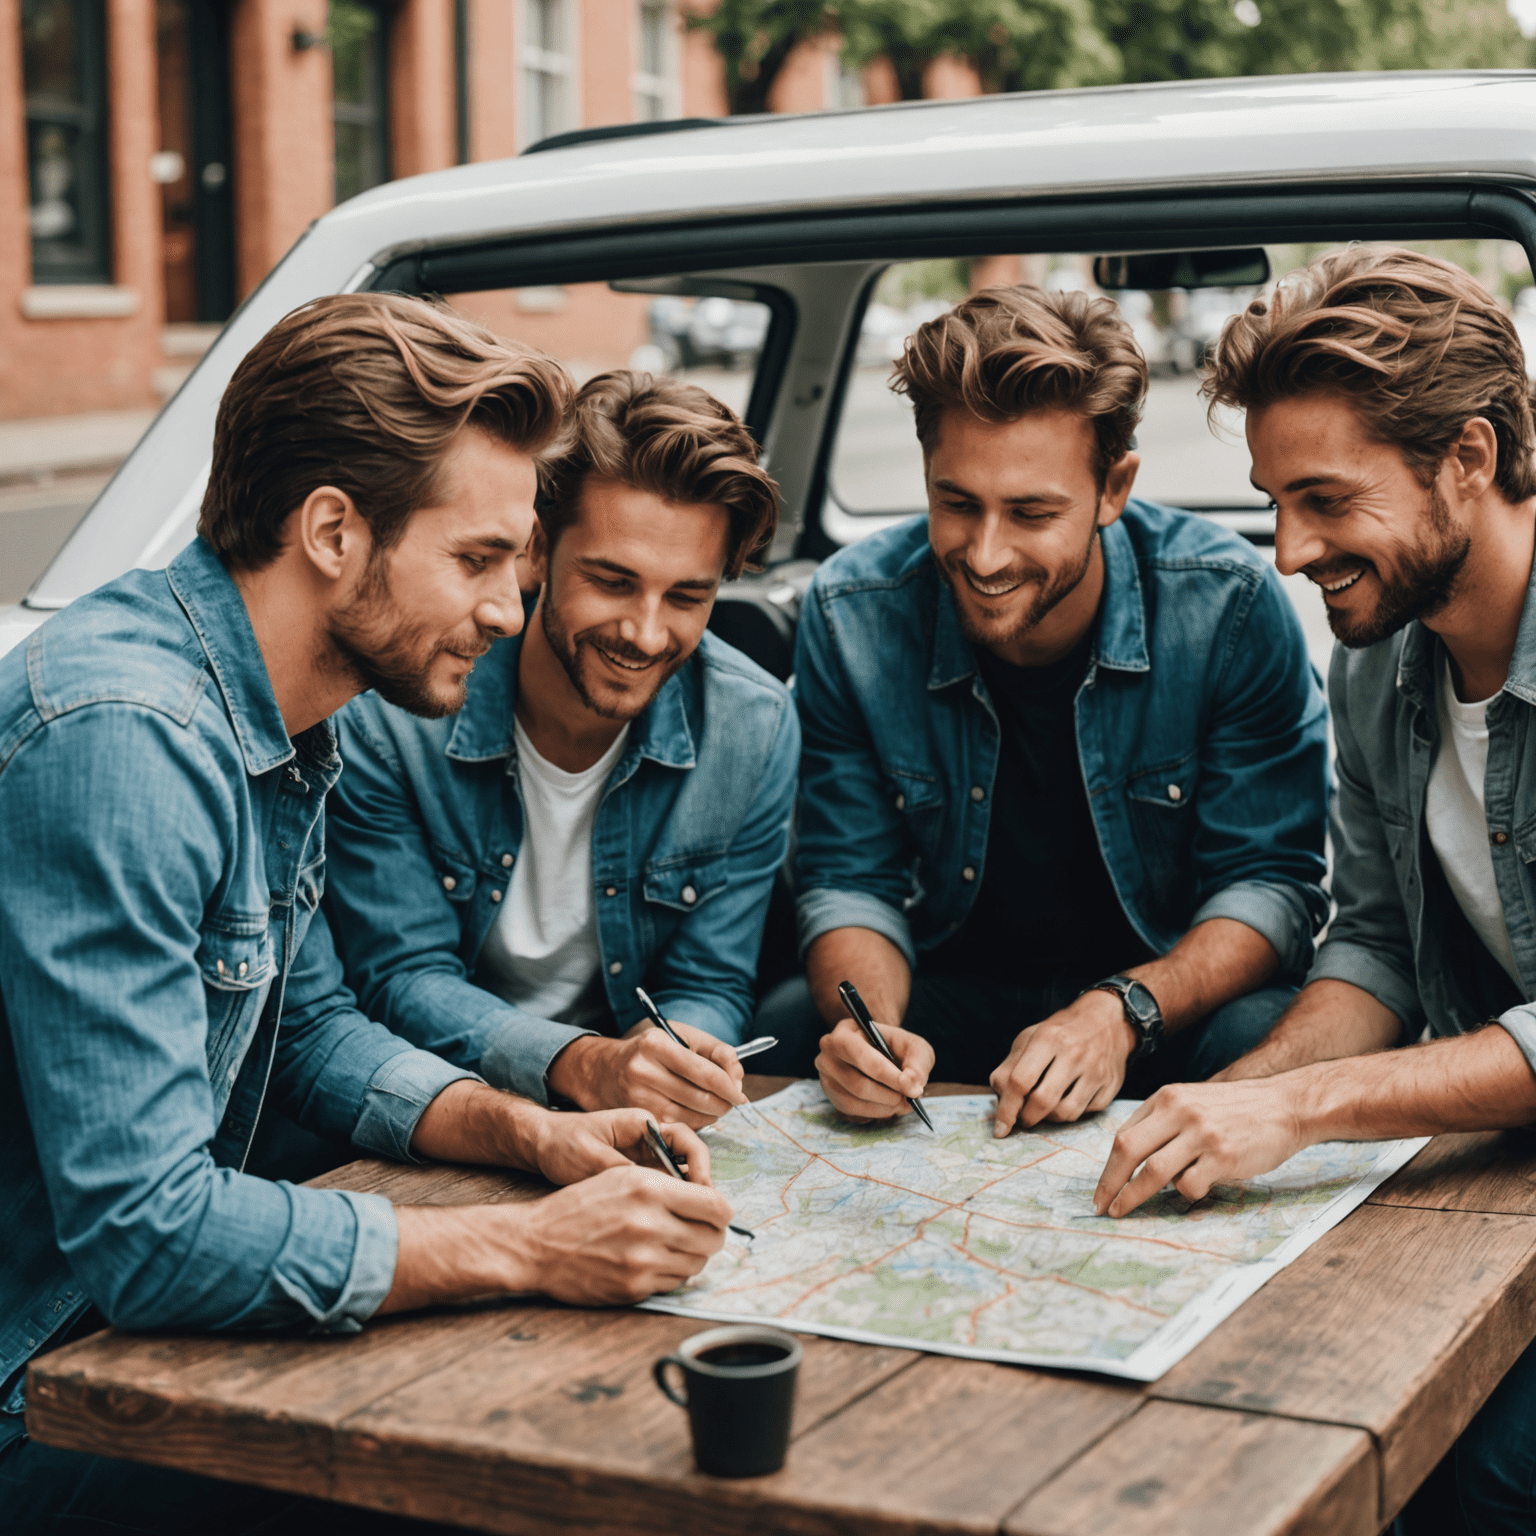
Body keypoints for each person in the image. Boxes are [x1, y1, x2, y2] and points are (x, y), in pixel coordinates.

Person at [0, 295, 733, 1534]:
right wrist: (534, 1247)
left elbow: (307, 1027)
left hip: (129, 1337)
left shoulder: (287, 709)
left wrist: (532, 1135)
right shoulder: (126, 741)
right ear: (333, 530)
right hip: (43, 1381)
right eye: (479, 559)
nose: (511, 611)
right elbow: (150, 1233)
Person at [1083, 245, 1536, 1534]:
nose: (1288, 551)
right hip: (1501, 1146)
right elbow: (1381, 946)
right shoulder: (1377, 664)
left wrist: (1308, 1107)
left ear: (1470, 456)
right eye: (1273, 499)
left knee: (1470, 1467)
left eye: (1325, 498)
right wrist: (1231, 1105)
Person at [767, 282, 1330, 1134]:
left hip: (1160, 1003)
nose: (985, 553)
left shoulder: (1229, 606)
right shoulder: (852, 610)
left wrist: (1119, 1012)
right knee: (779, 1028)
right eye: (956, 503)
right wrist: (870, 1026)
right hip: (951, 994)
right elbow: (848, 878)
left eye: (1032, 512)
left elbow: (1270, 887)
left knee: (1270, 1031)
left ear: (1114, 489)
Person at [320, 370, 797, 1132]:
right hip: (437, 1097)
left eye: (686, 598)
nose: (645, 633)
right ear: (537, 551)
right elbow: (401, 978)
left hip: (627, 1111)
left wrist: (675, 1049)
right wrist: (585, 1064)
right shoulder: (397, 718)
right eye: (613, 581)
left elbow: (711, 976)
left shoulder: (754, 727)